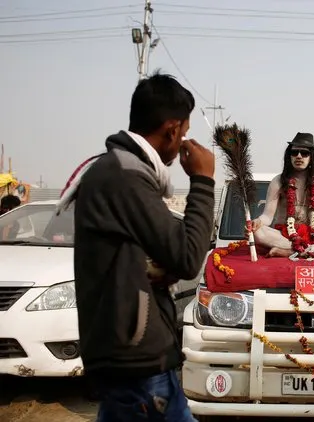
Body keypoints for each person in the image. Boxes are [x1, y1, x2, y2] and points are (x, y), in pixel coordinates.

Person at [61, 72, 216, 422]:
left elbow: (163, 253)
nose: (183, 143)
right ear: (172, 130)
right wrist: (204, 182)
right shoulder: (124, 176)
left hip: (140, 359)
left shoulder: (121, 170)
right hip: (136, 362)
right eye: (185, 132)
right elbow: (188, 256)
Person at [248, 132, 314, 258]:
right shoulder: (278, 181)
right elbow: (267, 216)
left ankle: (294, 251)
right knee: (257, 233)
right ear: (290, 156)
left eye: (304, 153)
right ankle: (302, 250)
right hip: (284, 234)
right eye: (295, 153)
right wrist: (258, 221)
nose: (299, 156)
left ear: (311, 157)